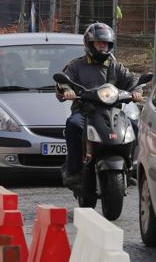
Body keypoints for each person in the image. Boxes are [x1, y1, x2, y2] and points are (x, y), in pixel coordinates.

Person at [56, 22, 142, 189]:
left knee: (132, 125)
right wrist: (67, 90)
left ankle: (129, 166)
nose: (103, 46)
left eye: (106, 43)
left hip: (113, 112)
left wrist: (137, 91)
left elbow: (133, 80)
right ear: (89, 44)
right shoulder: (76, 65)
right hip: (85, 111)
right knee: (73, 125)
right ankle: (74, 171)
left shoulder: (116, 67)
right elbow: (62, 82)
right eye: (99, 42)